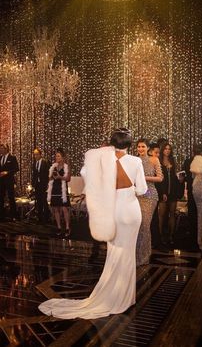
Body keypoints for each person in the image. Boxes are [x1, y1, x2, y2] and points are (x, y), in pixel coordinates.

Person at [38, 128, 147, 319]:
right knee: (128, 253)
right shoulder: (135, 161)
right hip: (130, 210)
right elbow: (142, 190)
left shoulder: (104, 161)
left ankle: (115, 295)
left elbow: (84, 172)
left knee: (114, 252)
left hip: (114, 209)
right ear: (130, 144)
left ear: (113, 143)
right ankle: (125, 297)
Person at [136, 138, 163, 266]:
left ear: (148, 148)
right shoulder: (134, 161)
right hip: (137, 196)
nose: (140, 149)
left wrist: (143, 178)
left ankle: (144, 256)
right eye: (139, 147)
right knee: (137, 226)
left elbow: (160, 178)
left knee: (145, 226)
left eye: (143, 146)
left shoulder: (154, 159)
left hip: (150, 195)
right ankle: (136, 255)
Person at [156, 142, 185, 245]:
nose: (167, 151)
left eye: (169, 149)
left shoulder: (173, 161)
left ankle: (171, 236)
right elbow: (159, 179)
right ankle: (160, 236)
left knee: (172, 214)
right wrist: (162, 192)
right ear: (162, 150)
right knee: (161, 215)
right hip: (162, 191)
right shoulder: (158, 161)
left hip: (172, 191)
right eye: (165, 149)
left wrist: (180, 180)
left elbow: (174, 177)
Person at [182, 144, 202, 241]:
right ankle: (196, 232)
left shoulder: (188, 161)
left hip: (194, 189)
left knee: (193, 211)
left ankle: (193, 232)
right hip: (198, 189)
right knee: (198, 211)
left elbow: (185, 175)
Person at [47, 150, 71, 236]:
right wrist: (51, 177)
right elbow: (49, 179)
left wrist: (59, 176)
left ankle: (68, 228)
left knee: (64, 209)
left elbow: (68, 179)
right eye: (56, 156)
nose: (57, 158)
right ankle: (59, 227)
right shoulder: (53, 167)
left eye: (58, 156)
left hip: (62, 190)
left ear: (63, 157)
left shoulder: (66, 166)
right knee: (56, 209)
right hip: (55, 189)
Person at [0, 144, 19, 221]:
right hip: (1, 181)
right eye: (0, 148)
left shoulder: (12, 158)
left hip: (9, 181)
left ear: (7, 149)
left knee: (11, 198)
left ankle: (13, 215)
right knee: (1, 198)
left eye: (2, 148)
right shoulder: (0, 158)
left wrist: (7, 172)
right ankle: (1, 215)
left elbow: (16, 168)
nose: (1, 150)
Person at [32, 148, 50, 223]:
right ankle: (39, 218)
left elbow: (48, 173)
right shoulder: (35, 163)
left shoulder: (45, 162)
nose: (35, 156)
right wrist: (33, 184)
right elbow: (34, 175)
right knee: (38, 201)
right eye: (34, 154)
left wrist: (48, 184)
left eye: (37, 154)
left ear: (40, 154)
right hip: (37, 184)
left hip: (44, 184)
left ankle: (46, 217)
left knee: (44, 200)